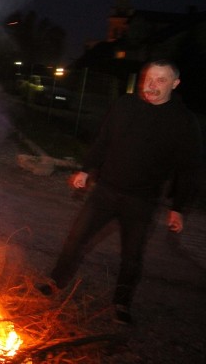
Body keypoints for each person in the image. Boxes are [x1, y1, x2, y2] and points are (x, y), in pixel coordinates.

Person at [39, 59, 203, 325]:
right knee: (76, 238)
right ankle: (55, 281)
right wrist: (85, 169)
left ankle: (121, 303)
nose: (152, 85)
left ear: (175, 84)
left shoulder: (183, 122)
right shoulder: (125, 105)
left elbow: (188, 169)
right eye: (149, 78)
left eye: (161, 80)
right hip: (105, 191)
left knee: (131, 255)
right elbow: (103, 139)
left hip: (142, 201)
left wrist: (179, 208)